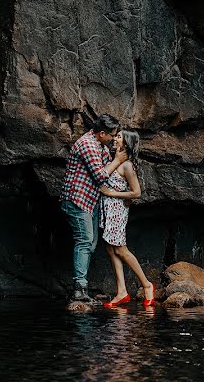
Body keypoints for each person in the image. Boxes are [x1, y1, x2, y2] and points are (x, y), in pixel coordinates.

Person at [60, 114, 127, 302]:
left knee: (90, 243)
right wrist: (118, 160)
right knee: (85, 241)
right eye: (112, 135)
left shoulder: (100, 144)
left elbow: (107, 170)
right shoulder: (88, 144)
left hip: (91, 201)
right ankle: (79, 289)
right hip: (77, 200)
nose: (114, 138)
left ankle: (82, 288)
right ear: (102, 133)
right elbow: (100, 175)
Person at [98, 130, 156, 308]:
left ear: (126, 144)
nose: (114, 138)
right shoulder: (110, 159)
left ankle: (147, 285)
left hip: (117, 210)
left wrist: (111, 193)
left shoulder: (127, 166)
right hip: (106, 210)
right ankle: (122, 291)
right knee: (110, 248)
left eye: (119, 137)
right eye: (115, 136)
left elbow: (137, 192)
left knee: (121, 250)